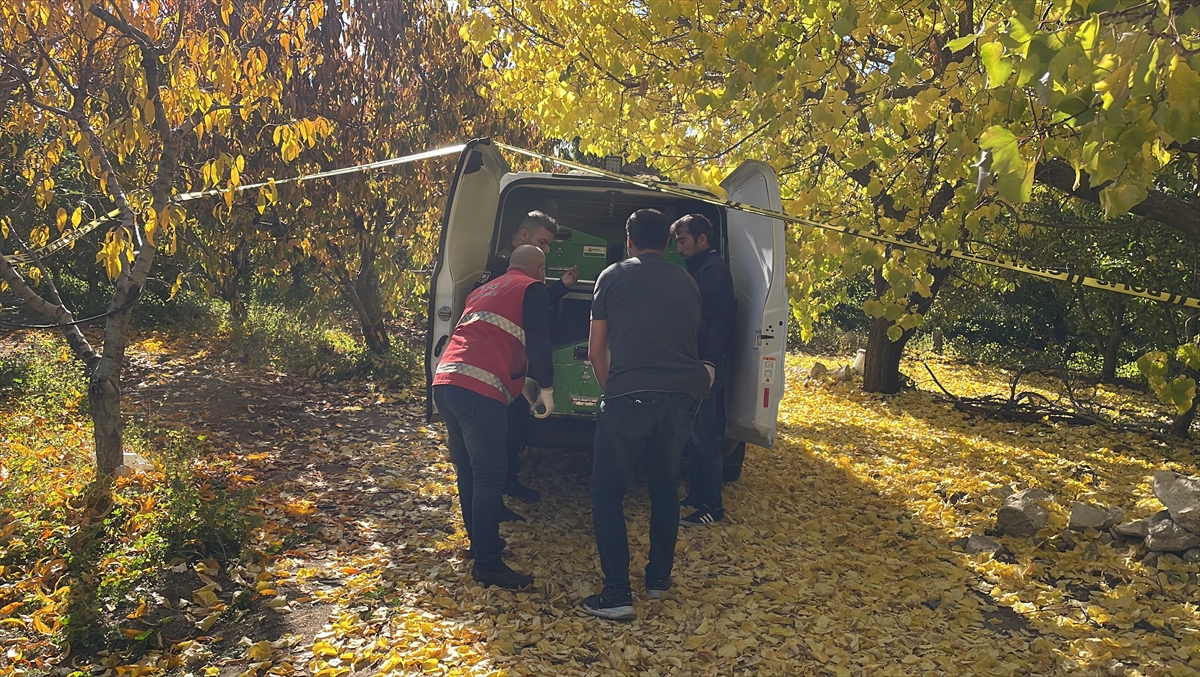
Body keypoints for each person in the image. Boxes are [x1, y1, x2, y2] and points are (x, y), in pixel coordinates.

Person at [582, 209, 711, 621]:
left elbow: (595, 350)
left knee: (606, 491)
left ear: (628, 237)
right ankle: (658, 579)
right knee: (663, 488)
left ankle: (617, 592)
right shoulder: (687, 281)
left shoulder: (611, 276)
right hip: (679, 400)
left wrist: (611, 391)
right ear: (670, 242)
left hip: (629, 396)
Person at [433, 245, 556, 589]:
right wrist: (546, 388)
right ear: (540, 268)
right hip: (479, 388)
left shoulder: (484, 289)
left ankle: (481, 544)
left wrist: (523, 383)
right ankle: (487, 563)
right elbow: (539, 344)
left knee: (469, 471)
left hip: (446, 382)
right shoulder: (531, 289)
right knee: (490, 475)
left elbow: (492, 338)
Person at [476, 211, 579, 515]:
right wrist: (546, 386)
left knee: (514, 427)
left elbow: (531, 303)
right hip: (494, 366)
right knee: (499, 436)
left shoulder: (520, 273)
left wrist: (561, 287)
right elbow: (522, 308)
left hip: (510, 366)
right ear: (523, 236)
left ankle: (509, 481)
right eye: (542, 242)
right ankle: (495, 500)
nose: (545, 251)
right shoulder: (497, 268)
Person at [672, 214, 737, 527]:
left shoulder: (712, 271)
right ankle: (697, 495)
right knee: (696, 434)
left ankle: (713, 506)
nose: (679, 248)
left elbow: (718, 319)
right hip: (699, 360)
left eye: (683, 241)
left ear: (702, 239)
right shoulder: (703, 267)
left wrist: (709, 362)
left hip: (706, 363)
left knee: (704, 437)